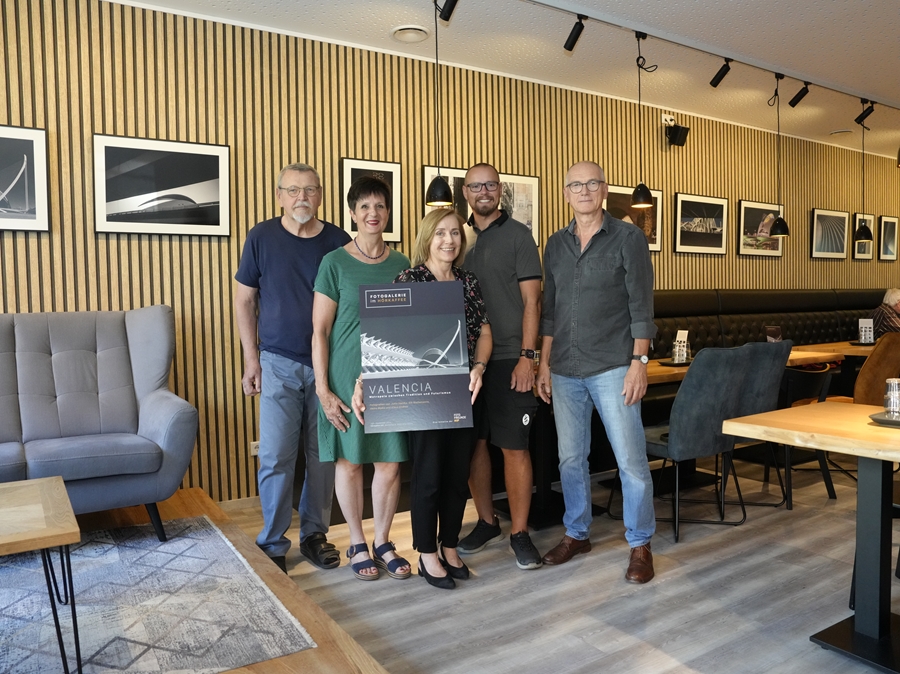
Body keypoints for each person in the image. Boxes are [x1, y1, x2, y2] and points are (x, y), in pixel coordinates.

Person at [536, 161, 658, 584]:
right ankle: (577, 533)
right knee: (570, 458)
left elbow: (641, 306)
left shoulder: (628, 238)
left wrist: (639, 363)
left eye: (592, 183)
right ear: (565, 193)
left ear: (604, 189)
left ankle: (640, 543)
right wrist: (543, 364)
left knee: (630, 460)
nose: (584, 190)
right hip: (564, 368)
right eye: (576, 184)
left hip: (614, 366)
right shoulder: (555, 244)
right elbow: (550, 311)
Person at [356, 209, 492, 589]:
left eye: (455, 233)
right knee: (429, 476)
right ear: (428, 238)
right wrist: (364, 380)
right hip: (425, 396)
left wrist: (479, 367)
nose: (449, 240)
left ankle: (450, 546)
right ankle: (427, 553)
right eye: (441, 233)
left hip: (465, 391)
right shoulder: (410, 280)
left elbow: (484, 332)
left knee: (457, 476)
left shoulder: (468, 281)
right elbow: (387, 335)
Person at [235, 162, 350, 574]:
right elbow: (244, 300)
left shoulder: (338, 242)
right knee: (275, 456)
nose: (302, 197)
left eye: (310, 190)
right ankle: (272, 543)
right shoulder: (261, 237)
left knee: (323, 457)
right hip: (277, 362)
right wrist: (251, 359)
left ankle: (315, 535)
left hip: (329, 367)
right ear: (279, 195)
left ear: (320, 195)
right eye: (294, 190)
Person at [312, 176, 412, 582]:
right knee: (350, 462)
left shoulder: (402, 264)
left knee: (390, 462)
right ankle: (356, 541)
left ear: (388, 213)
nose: (373, 213)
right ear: (352, 214)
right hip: (343, 376)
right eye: (365, 206)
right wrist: (323, 389)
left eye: (380, 206)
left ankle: (383, 542)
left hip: (388, 375)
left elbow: (409, 325)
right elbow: (320, 331)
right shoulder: (334, 263)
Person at [457, 163, 544, 570]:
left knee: (514, 447)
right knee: (474, 445)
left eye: (490, 185)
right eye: (476, 186)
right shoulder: (458, 237)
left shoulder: (519, 236)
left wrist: (528, 357)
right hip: (466, 361)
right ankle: (487, 521)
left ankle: (520, 532)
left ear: (500, 190)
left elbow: (533, 302)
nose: (484, 192)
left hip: (510, 356)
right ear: (465, 192)